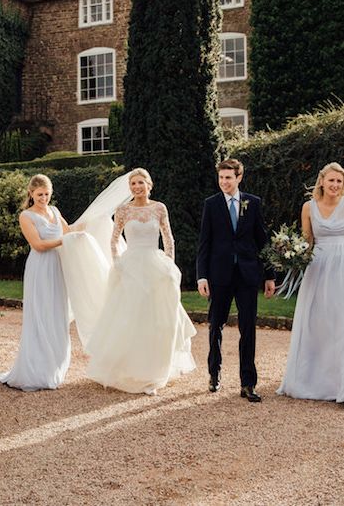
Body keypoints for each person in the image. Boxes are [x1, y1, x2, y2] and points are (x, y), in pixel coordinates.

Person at [82, 168, 196, 394]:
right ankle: (128, 370)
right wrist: (118, 263)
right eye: (133, 184)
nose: (137, 187)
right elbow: (114, 239)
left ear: (149, 185)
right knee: (130, 318)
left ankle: (153, 373)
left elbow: (168, 238)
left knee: (157, 319)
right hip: (131, 266)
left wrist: (170, 264)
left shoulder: (159, 208)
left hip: (155, 264)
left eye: (140, 183)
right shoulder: (123, 210)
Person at [197, 159, 275, 403]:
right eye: (221, 178)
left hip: (247, 275)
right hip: (219, 275)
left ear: (239, 178)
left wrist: (270, 275)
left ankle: (248, 383)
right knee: (215, 326)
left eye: (228, 178)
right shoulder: (211, 204)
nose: (224, 182)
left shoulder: (253, 203)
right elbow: (204, 243)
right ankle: (214, 375)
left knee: (248, 328)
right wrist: (201, 275)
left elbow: (263, 241)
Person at [0, 174, 75, 391]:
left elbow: (70, 231)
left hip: (58, 267)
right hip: (41, 267)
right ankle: (36, 369)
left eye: (47, 194)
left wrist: (93, 224)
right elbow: (38, 245)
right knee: (41, 313)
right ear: (31, 193)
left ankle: (54, 366)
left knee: (57, 313)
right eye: (39, 194)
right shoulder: (26, 216)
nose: (43, 198)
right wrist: (65, 240)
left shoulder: (55, 211)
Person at [278, 162, 344, 402]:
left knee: (341, 322)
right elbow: (308, 242)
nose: (335, 185)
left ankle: (340, 385)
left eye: (339, 181)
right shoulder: (309, 207)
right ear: (322, 182)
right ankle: (312, 380)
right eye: (331, 180)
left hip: (342, 268)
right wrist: (290, 254)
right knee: (317, 322)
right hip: (317, 267)